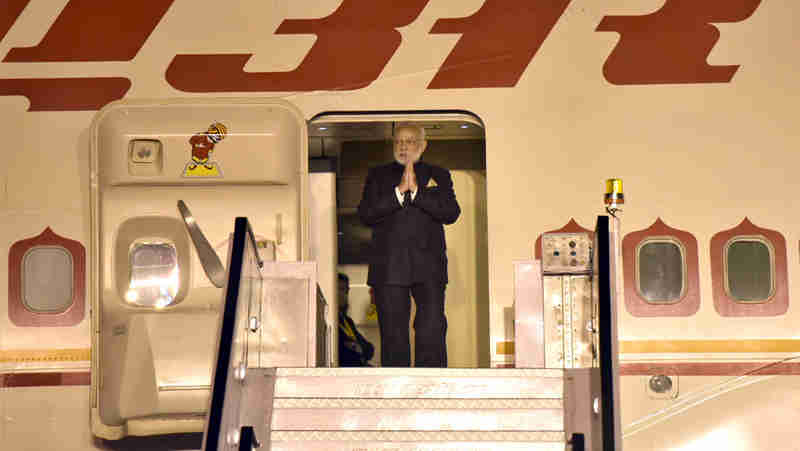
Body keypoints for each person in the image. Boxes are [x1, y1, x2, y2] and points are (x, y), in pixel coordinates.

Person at [357, 123, 460, 367]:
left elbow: (451, 212)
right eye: (399, 141)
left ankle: (432, 390)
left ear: (423, 145)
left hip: (429, 269)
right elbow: (366, 214)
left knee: (431, 331)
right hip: (389, 268)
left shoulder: (439, 174)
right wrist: (398, 192)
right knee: (393, 336)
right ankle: (397, 394)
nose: (404, 146)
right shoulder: (378, 175)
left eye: (410, 141)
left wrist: (416, 193)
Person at [337, 273, 375, 367]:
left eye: (346, 291)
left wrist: (356, 347)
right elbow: (344, 354)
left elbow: (369, 349)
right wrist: (356, 347)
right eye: (341, 289)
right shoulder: (332, 323)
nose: (344, 295)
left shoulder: (347, 321)